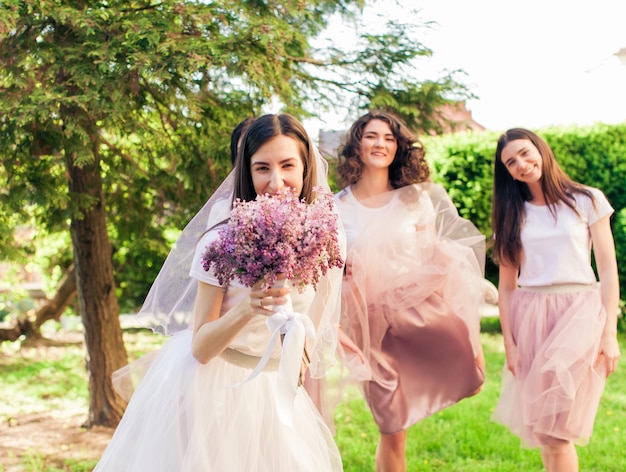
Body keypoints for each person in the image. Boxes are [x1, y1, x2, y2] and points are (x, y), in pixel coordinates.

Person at [95, 113, 345, 471]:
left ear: (306, 168)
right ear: (247, 172)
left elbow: (316, 310)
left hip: (276, 393)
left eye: (288, 165)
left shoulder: (321, 239)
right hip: (214, 390)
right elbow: (200, 347)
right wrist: (247, 309)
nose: (277, 181)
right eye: (262, 168)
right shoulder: (219, 241)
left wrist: (298, 350)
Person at [334, 111, 486, 472]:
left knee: (471, 381)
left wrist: (469, 332)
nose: (380, 144)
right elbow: (330, 265)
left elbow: (434, 258)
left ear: (399, 147)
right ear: (357, 143)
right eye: (372, 136)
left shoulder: (415, 201)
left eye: (389, 138)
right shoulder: (337, 205)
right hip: (370, 326)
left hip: (417, 312)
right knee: (391, 426)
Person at [490, 128, 620, 471]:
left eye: (524, 153)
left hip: (579, 314)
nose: (521, 164)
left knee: (559, 431)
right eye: (511, 162)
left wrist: (609, 333)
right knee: (546, 433)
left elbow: (607, 269)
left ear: (540, 149)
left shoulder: (587, 199)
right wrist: (510, 344)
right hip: (531, 315)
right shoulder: (512, 214)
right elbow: (506, 287)